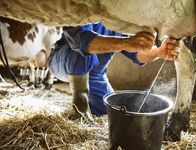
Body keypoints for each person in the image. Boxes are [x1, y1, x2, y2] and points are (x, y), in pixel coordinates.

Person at [49, 22, 180, 122]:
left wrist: (158, 52)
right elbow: (82, 41)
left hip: (95, 75)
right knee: (82, 49)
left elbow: (137, 54)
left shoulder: (117, 18)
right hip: (63, 60)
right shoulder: (84, 6)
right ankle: (80, 106)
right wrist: (126, 42)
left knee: (111, 112)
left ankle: (90, 105)